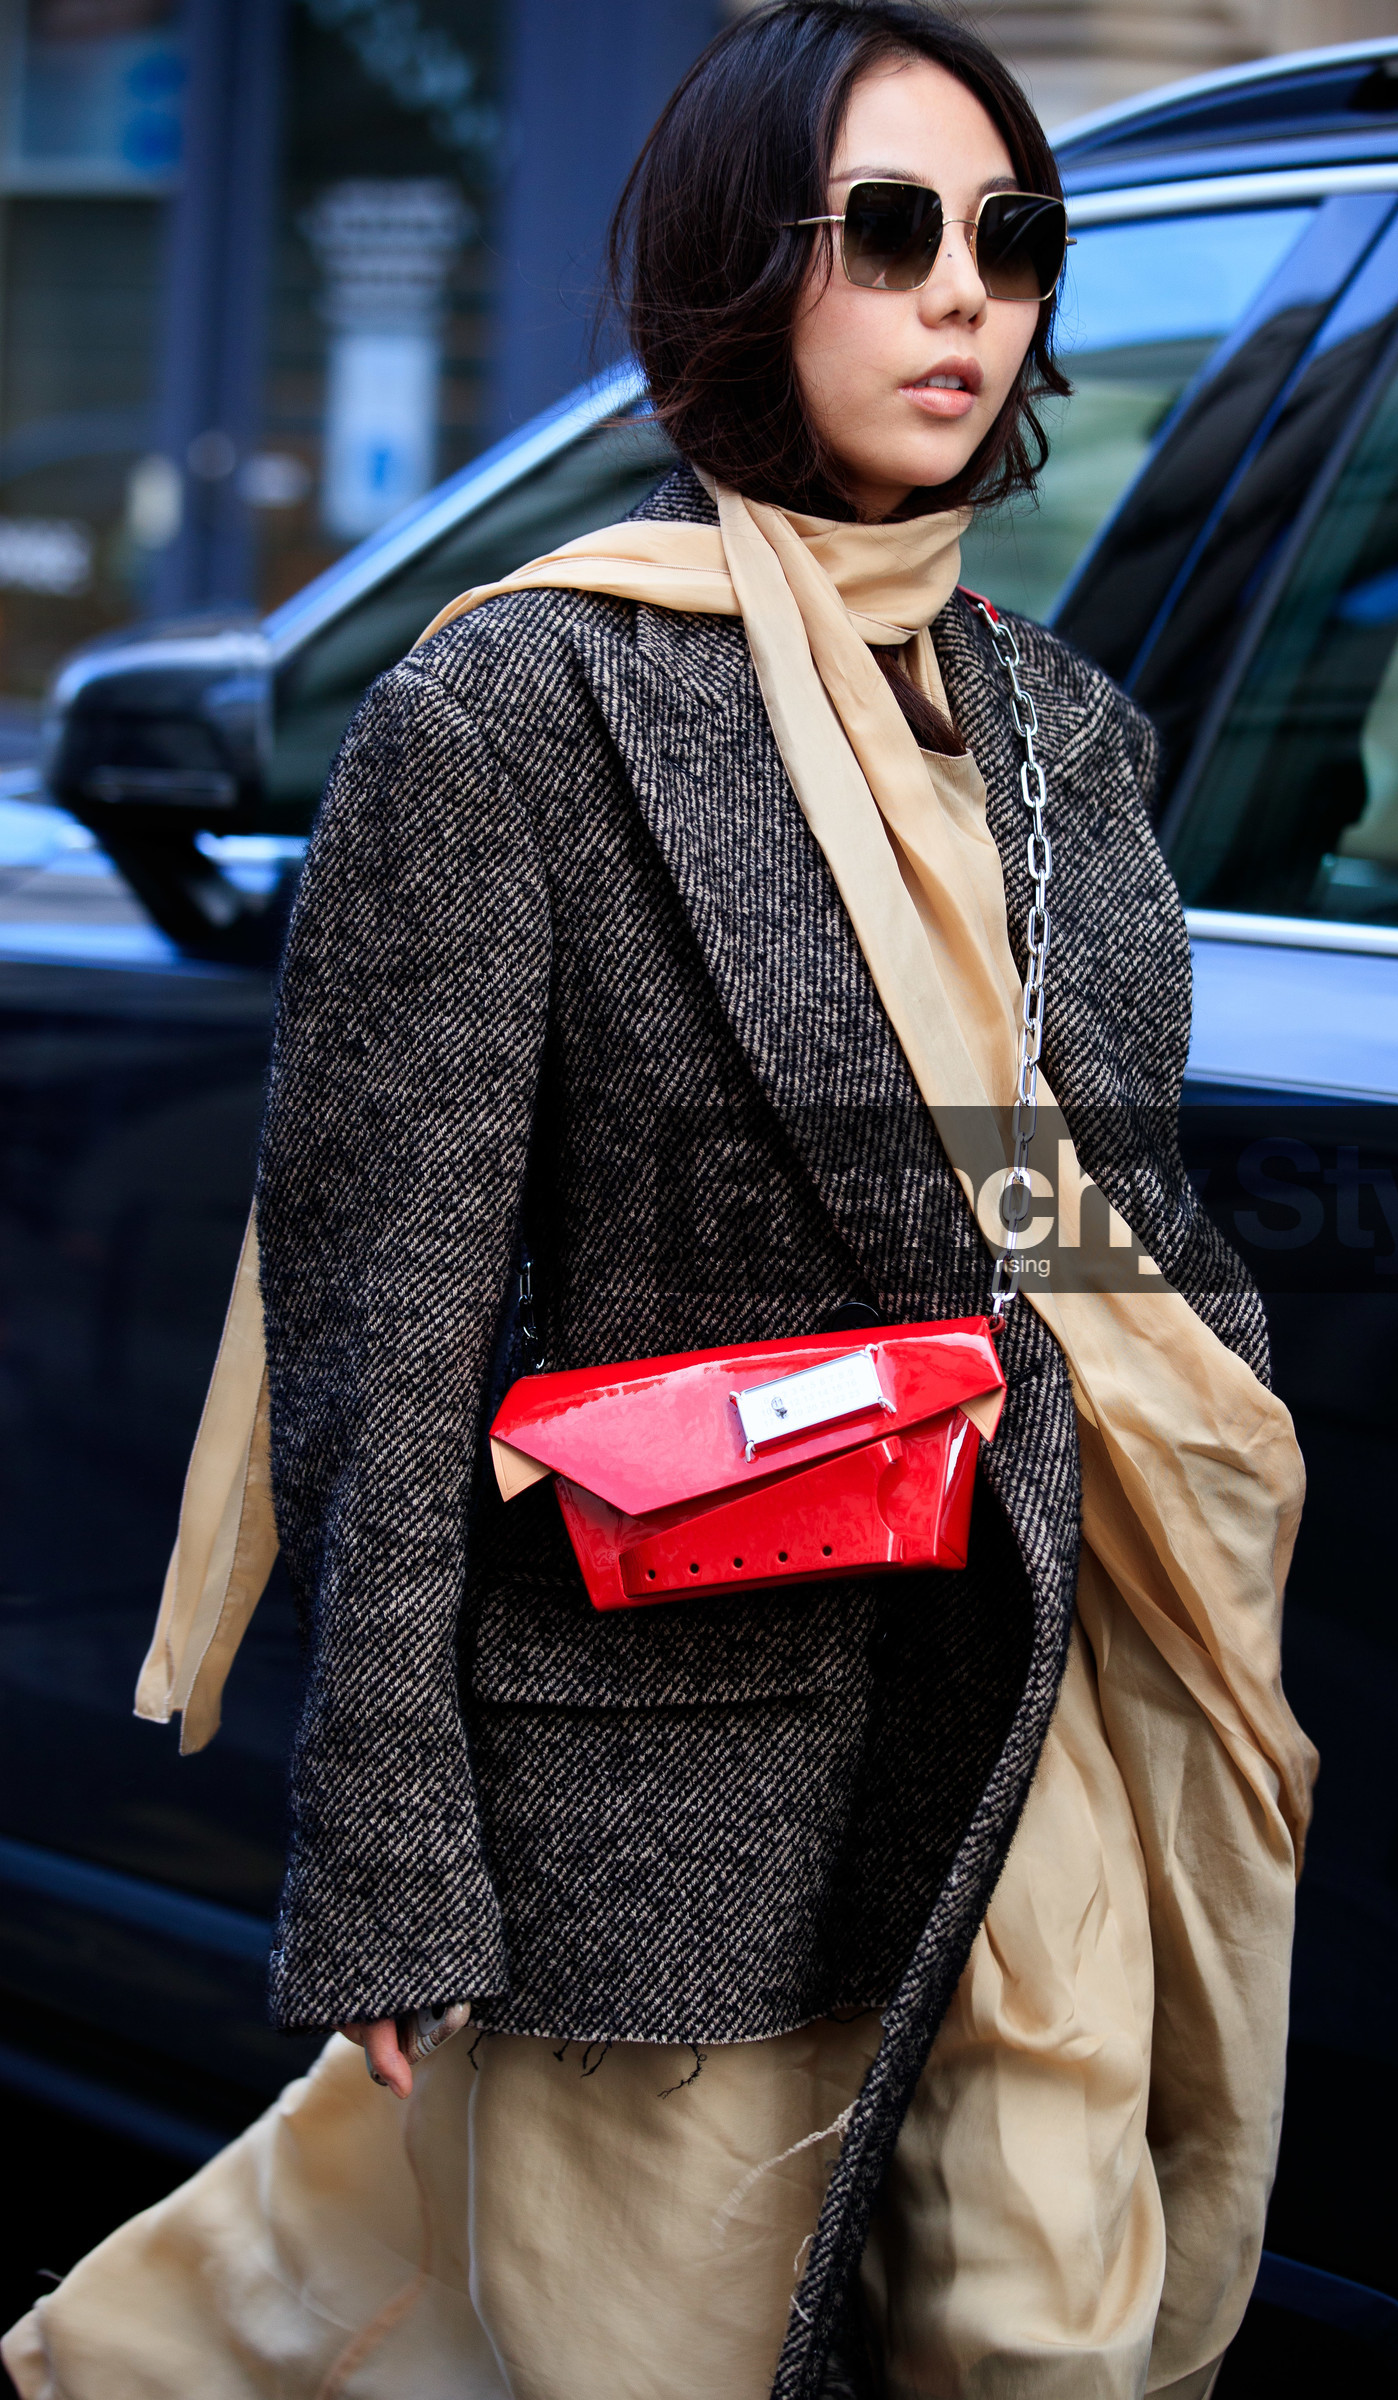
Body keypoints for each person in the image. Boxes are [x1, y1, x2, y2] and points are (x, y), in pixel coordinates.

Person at [3, 6, 1314, 2397]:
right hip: (679, 1756)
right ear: (738, 266)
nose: (958, 293)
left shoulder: (1063, 732)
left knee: (1055, 2342)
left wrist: (1212, 1436)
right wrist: (391, 1847)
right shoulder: (512, 712)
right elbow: (390, 1315)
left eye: (1006, 235)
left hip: (1046, 1709)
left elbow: (1105, 1207)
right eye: (885, 231)